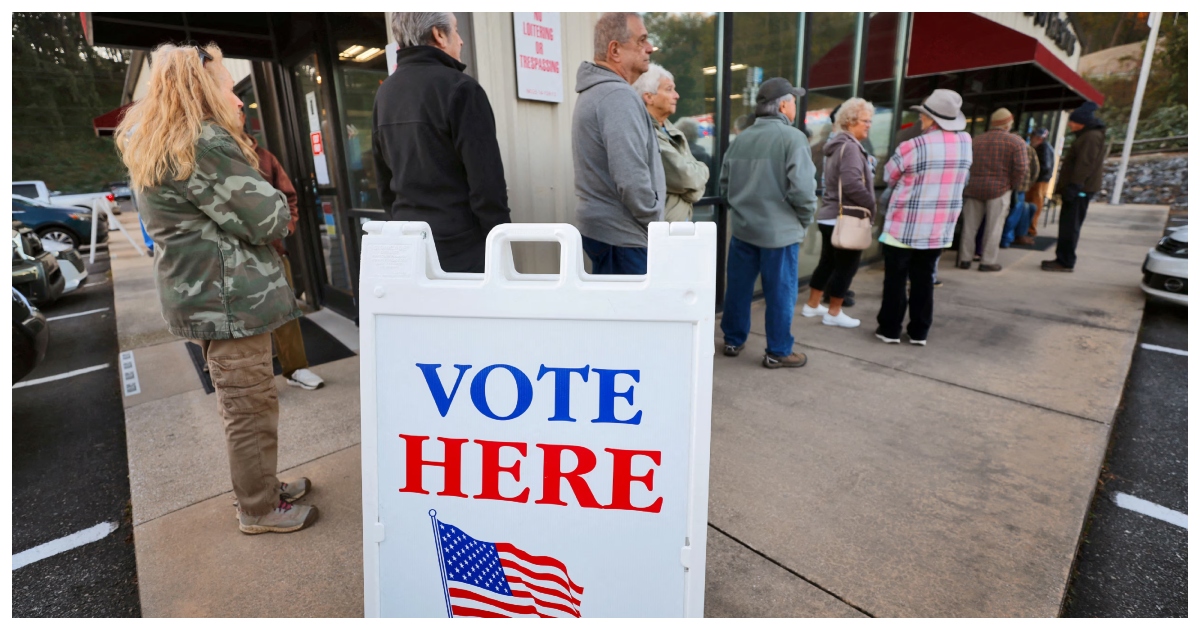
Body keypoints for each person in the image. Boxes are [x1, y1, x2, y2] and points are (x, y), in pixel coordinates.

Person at [115, 43, 317, 534]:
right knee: (249, 410)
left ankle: (262, 490)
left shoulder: (166, 140)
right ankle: (259, 509)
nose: (240, 98)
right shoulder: (202, 145)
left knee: (251, 403)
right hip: (229, 305)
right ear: (204, 89)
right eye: (230, 87)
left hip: (210, 299)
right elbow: (269, 216)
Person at [372, 12, 511, 273]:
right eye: (456, 30)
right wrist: (500, 250)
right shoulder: (461, 89)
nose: (460, 41)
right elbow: (487, 188)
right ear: (438, 34)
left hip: (407, 248)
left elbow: (384, 184)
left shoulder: (385, 93)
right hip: (461, 251)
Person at [718, 78, 817, 368]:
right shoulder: (793, 138)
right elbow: (803, 189)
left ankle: (733, 340)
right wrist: (803, 219)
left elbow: (725, 185)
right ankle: (778, 351)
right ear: (784, 104)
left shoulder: (742, 139)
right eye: (794, 101)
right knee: (780, 292)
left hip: (744, 229)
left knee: (737, 288)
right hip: (779, 233)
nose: (795, 106)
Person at [875, 89, 972, 346]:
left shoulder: (913, 145)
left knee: (895, 278)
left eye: (924, 116)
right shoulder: (966, 143)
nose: (921, 120)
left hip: (903, 225)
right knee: (924, 278)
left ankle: (890, 329)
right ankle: (919, 332)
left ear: (932, 119)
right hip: (938, 227)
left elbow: (889, 176)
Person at [238, 109, 325, 391]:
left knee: (286, 312)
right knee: (242, 322)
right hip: (232, 258)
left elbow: (289, 196)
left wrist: (286, 229)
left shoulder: (264, 156)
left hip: (272, 252)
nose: (239, 108)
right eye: (234, 105)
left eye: (242, 109)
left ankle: (296, 368)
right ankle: (250, 381)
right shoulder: (214, 156)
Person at [572, 12, 663, 274]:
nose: (649, 48)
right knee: (634, 314)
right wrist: (654, 219)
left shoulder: (599, 92)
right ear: (615, 50)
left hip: (613, 236)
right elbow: (631, 177)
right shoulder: (616, 96)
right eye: (642, 40)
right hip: (624, 238)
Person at [803, 97, 876, 329]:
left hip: (829, 214)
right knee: (847, 267)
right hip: (845, 218)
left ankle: (813, 305)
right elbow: (853, 184)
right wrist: (871, 205)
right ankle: (834, 312)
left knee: (827, 262)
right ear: (851, 121)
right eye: (865, 120)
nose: (869, 125)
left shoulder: (836, 145)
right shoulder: (852, 148)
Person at [633, 63, 709, 222]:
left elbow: (688, 183)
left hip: (680, 224)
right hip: (663, 230)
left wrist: (693, 182)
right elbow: (687, 180)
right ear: (649, 97)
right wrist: (698, 178)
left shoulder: (674, 131)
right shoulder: (646, 134)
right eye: (669, 89)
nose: (676, 95)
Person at [958, 108, 1028, 272]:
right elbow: (1022, 168)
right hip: (999, 189)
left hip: (973, 189)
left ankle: (964, 259)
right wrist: (1012, 185)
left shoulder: (975, 141)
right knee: (994, 227)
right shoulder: (1016, 142)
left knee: (969, 227)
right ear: (1007, 124)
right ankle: (987, 262)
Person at [1043, 102, 1106, 272]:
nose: (1070, 124)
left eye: (1072, 121)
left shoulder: (1090, 137)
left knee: (1070, 226)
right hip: (1079, 189)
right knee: (1067, 225)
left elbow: (1084, 164)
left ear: (1082, 122)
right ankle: (1062, 258)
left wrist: (1075, 186)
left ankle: (1065, 261)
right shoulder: (1088, 135)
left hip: (1080, 190)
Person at [1000, 134, 1040, 248]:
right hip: (1019, 187)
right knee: (1014, 213)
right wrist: (1027, 184)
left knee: (1008, 213)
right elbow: (1035, 170)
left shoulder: (1005, 147)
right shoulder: (1028, 149)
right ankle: (1006, 239)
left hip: (1006, 186)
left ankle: (1005, 238)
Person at [1018, 127, 1054, 242]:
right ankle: (1028, 228)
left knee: (1035, 205)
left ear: (1039, 138)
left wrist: (1034, 176)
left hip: (1039, 181)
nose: (1032, 138)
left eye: (1034, 136)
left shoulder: (1044, 148)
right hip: (1039, 180)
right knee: (1032, 205)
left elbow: (1045, 167)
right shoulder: (1041, 147)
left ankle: (1031, 229)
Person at [676, 118, 716, 198]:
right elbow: (712, 182)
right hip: (703, 199)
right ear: (695, 133)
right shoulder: (704, 155)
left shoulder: (675, 154)